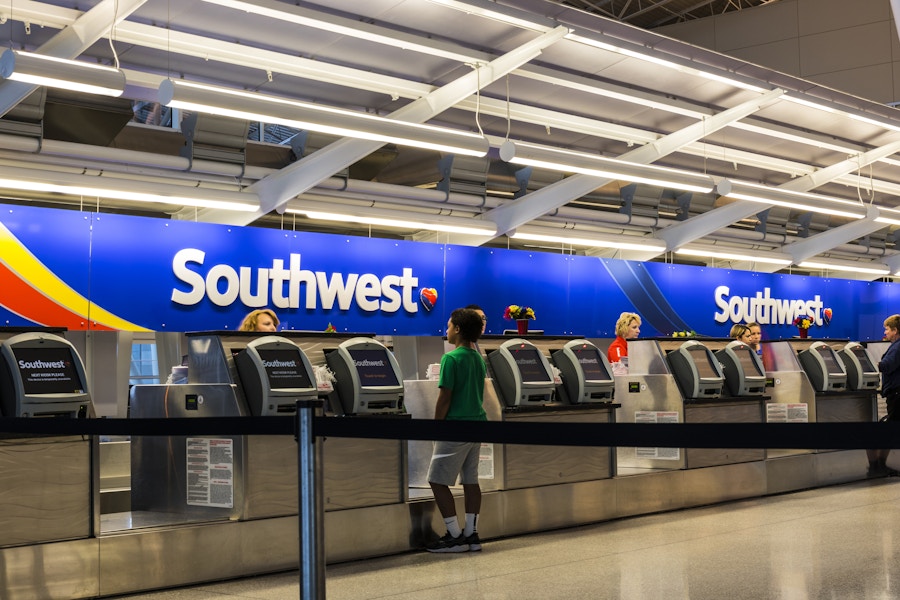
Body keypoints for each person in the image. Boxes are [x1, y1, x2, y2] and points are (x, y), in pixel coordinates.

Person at [425, 307, 487, 553]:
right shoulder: (478, 359)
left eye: (449, 325)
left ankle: (453, 535)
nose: (447, 330)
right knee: (471, 480)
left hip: (455, 427)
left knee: (437, 480)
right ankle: (471, 534)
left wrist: (436, 426)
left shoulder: (450, 358)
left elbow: (445, 398)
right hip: (477, 425)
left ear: (458, 329)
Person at [868, 314, 900, 477]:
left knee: (890, 431)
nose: (885, 332)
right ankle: (880, 465)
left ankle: (878, 466)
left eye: (887, 329)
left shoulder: (897, 346)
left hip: (896, 394)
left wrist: (872, 365)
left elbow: (887, 366)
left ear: (895, 330)